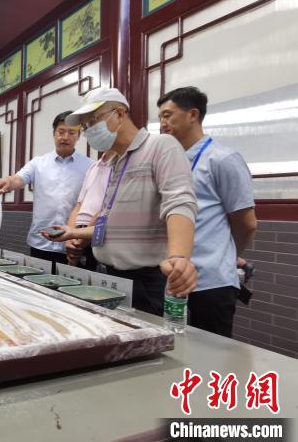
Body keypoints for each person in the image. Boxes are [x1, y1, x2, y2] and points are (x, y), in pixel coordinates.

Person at [44, 87, 198, 316]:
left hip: (146, 281)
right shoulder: (116, 162)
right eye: (86, 126)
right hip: (111, 277)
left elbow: (179, 202)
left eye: (93, 120)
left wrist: (178, 256)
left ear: (119, 113)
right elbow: (112, 225)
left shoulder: (161, 146)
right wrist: (73, 232)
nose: (90, 130)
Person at [158, 86, 257, 337]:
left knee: (211, 352)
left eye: (168, 115)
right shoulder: (167, 161)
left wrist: (226, 255)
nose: (162, 123)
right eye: (160, 117)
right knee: (171, 348)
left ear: (193, 114)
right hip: (172, 278)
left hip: (211, 282)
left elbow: (246, 223)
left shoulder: (222, 159)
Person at [0, 111, 92, 268]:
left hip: (73, 244)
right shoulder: (38, 163)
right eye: (61, 132)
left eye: (71, 132)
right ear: (54, 134)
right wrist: (8, 181)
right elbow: (19, 178)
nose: (65, 137)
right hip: (41, 242)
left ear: (79, 136)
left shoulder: (89, 166)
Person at [63, 149, 114, 270]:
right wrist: (71, 239)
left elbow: (107, 210)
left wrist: (80, 241)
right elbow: (78, 206)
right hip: (79, 236)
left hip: (98, 235)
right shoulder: (93, 167)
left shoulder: (121, 167)